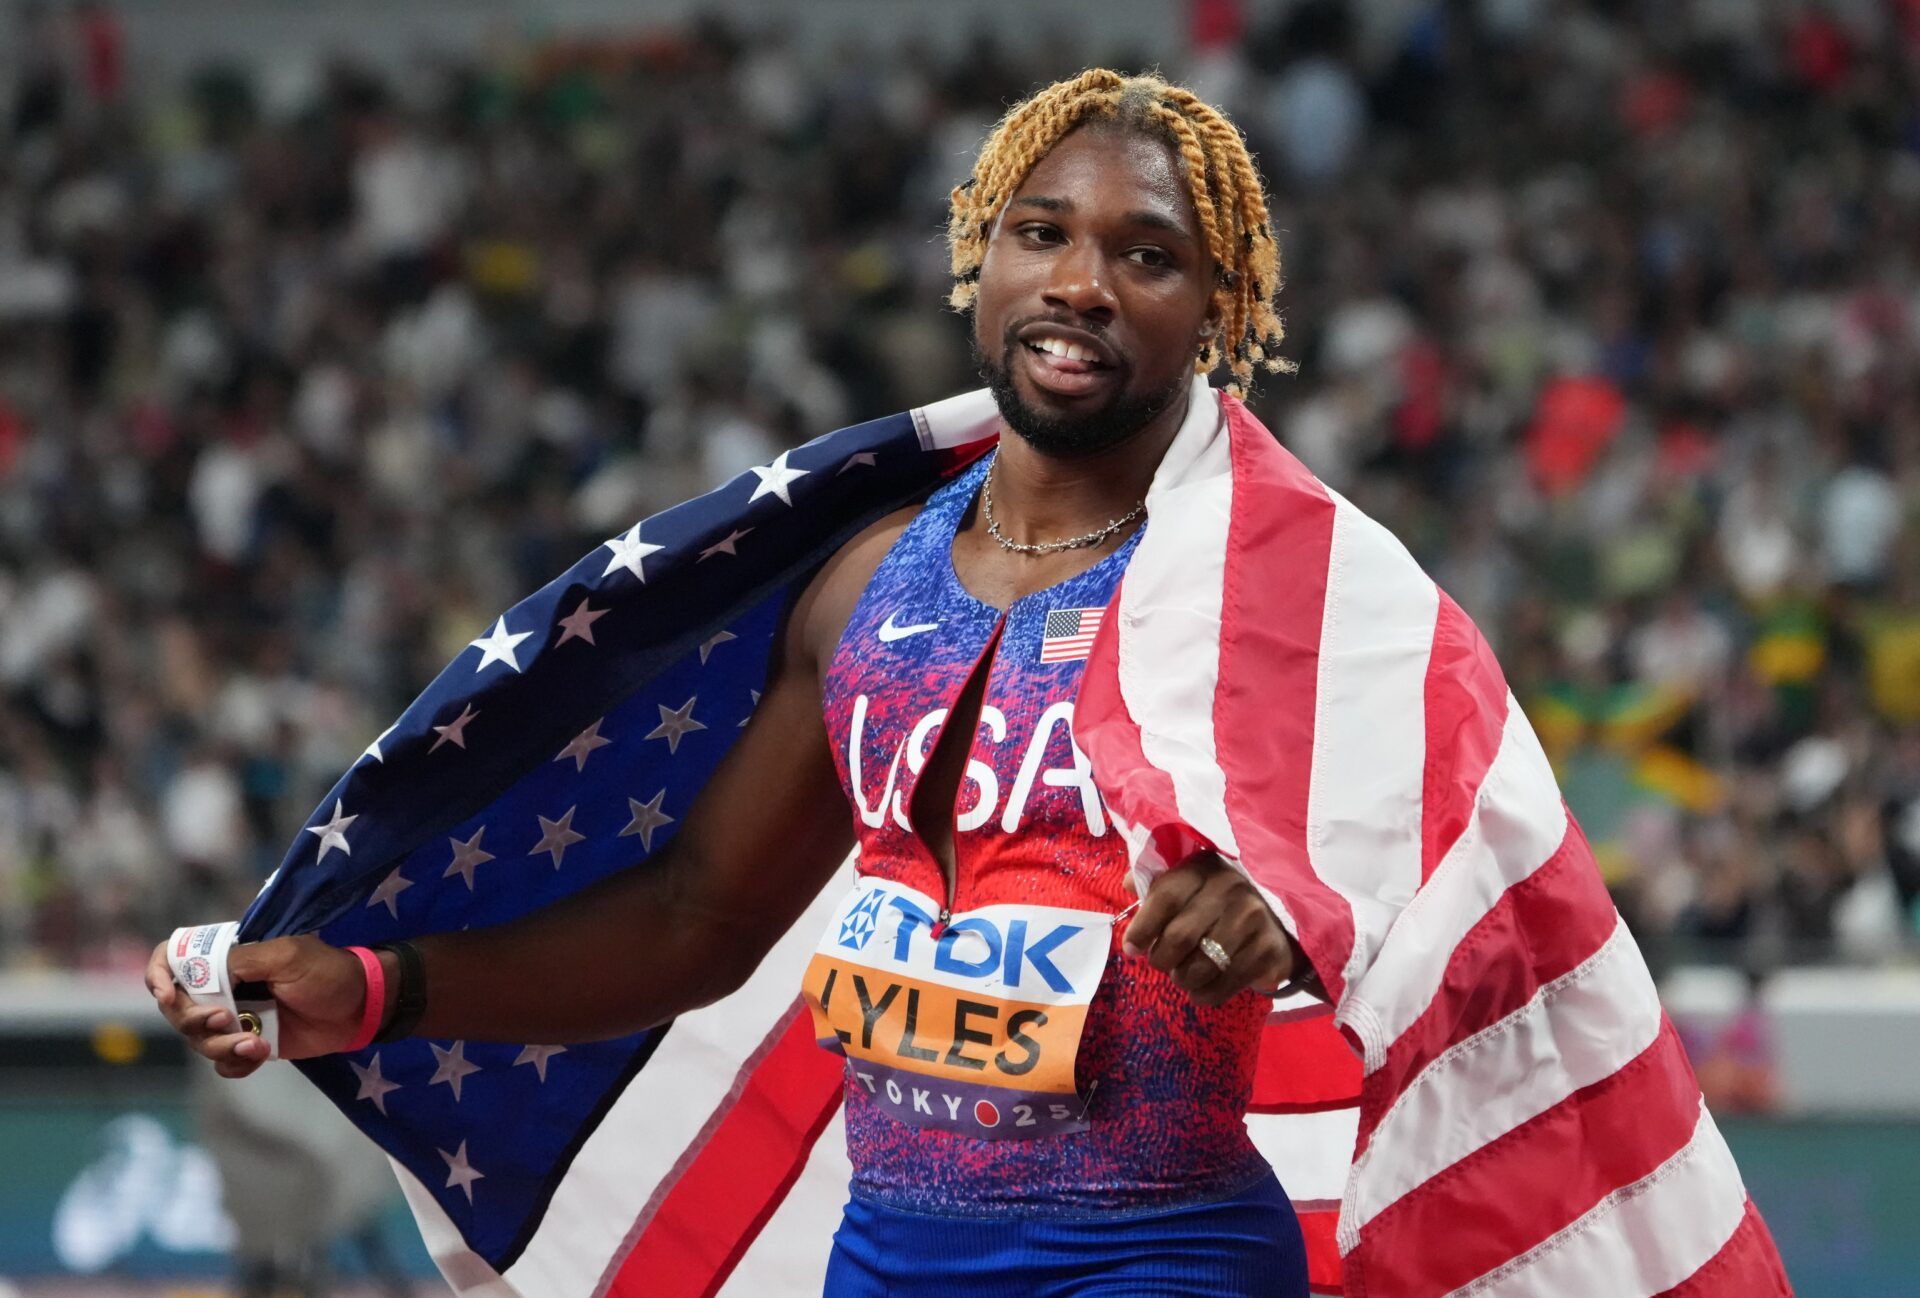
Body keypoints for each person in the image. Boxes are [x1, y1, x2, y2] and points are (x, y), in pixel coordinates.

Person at [152, 70, 1788, 1297]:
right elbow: (694, 922)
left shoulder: (1274, 600)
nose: (1081, 280)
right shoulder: (866, 587)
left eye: (1148, 253)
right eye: (1041, 232)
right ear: (978, 259)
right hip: (892, 1254)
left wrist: (1289, 909)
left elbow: (1413, 847)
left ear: (1220, 314)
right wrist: (374, 988)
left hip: (1158, 1255)